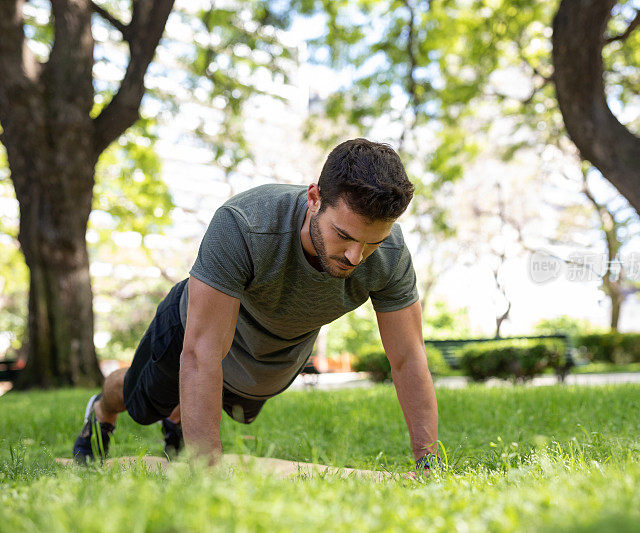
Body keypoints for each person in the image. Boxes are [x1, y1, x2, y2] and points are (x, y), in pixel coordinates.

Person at [73, 138, 440, 468]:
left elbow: (408, 357)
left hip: (268, 357)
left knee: (236, 409)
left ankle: (181, 415)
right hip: (195, 332)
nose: (356, 257)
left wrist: (428, 460)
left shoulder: (390, 255)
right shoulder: (245, 223)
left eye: (372, 242)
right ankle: (103, 411)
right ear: (314, 198)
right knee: (140, 403)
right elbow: (201, 354)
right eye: (343, 235)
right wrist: (206, 474)